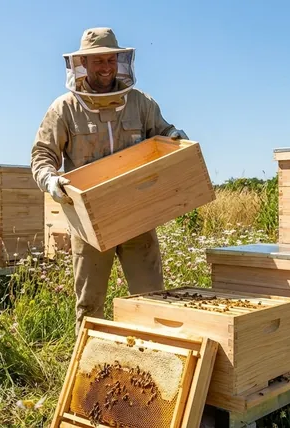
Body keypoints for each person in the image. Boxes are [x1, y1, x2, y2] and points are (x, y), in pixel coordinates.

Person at [30, 27, 188, 332]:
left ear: (120, 62)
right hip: (90, 221)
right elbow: (42, 155)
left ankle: (152, 363)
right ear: (83, 65)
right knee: (90, 304)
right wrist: (52, 182)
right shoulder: (64, 108)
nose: (105, 68)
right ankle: (87, 371)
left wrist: (175, 138)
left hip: (138, 216)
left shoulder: (140, 102)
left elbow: (164, 132)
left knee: (151, 298)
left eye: (111, 60)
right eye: (98, 61)